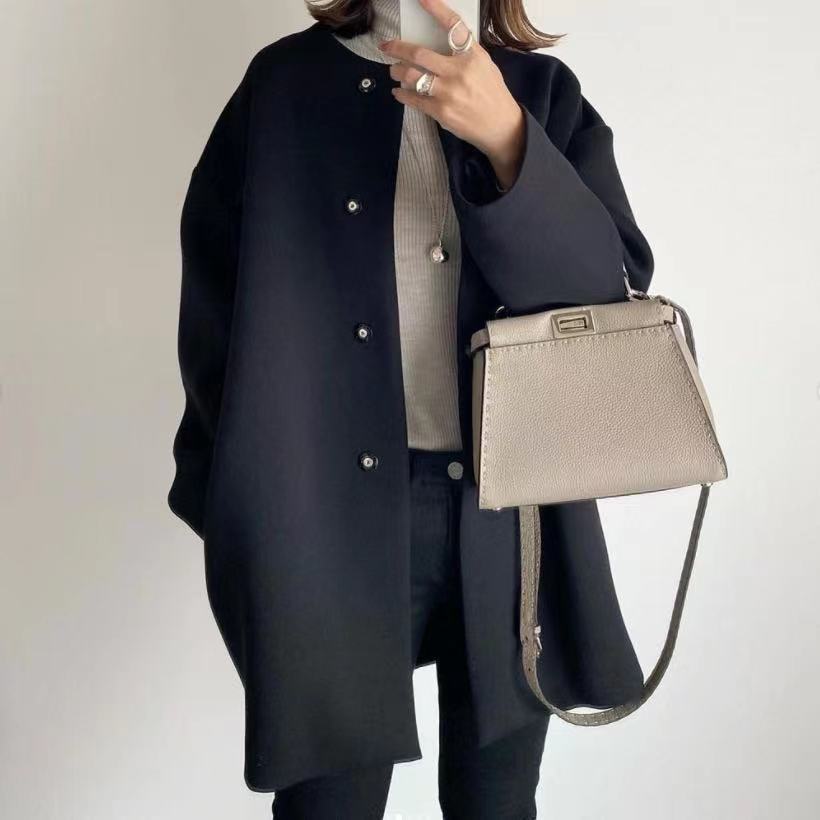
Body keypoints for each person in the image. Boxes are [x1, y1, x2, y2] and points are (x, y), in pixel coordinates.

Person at [167, 0, 654, 816]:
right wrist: (238, 499)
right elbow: (213, 315)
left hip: (507, 520)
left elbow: (607, 292)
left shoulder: (539, 94)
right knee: (328, 807)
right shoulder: (282, 89)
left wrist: (508, 140)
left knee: (498, 803)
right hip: (322, 524)